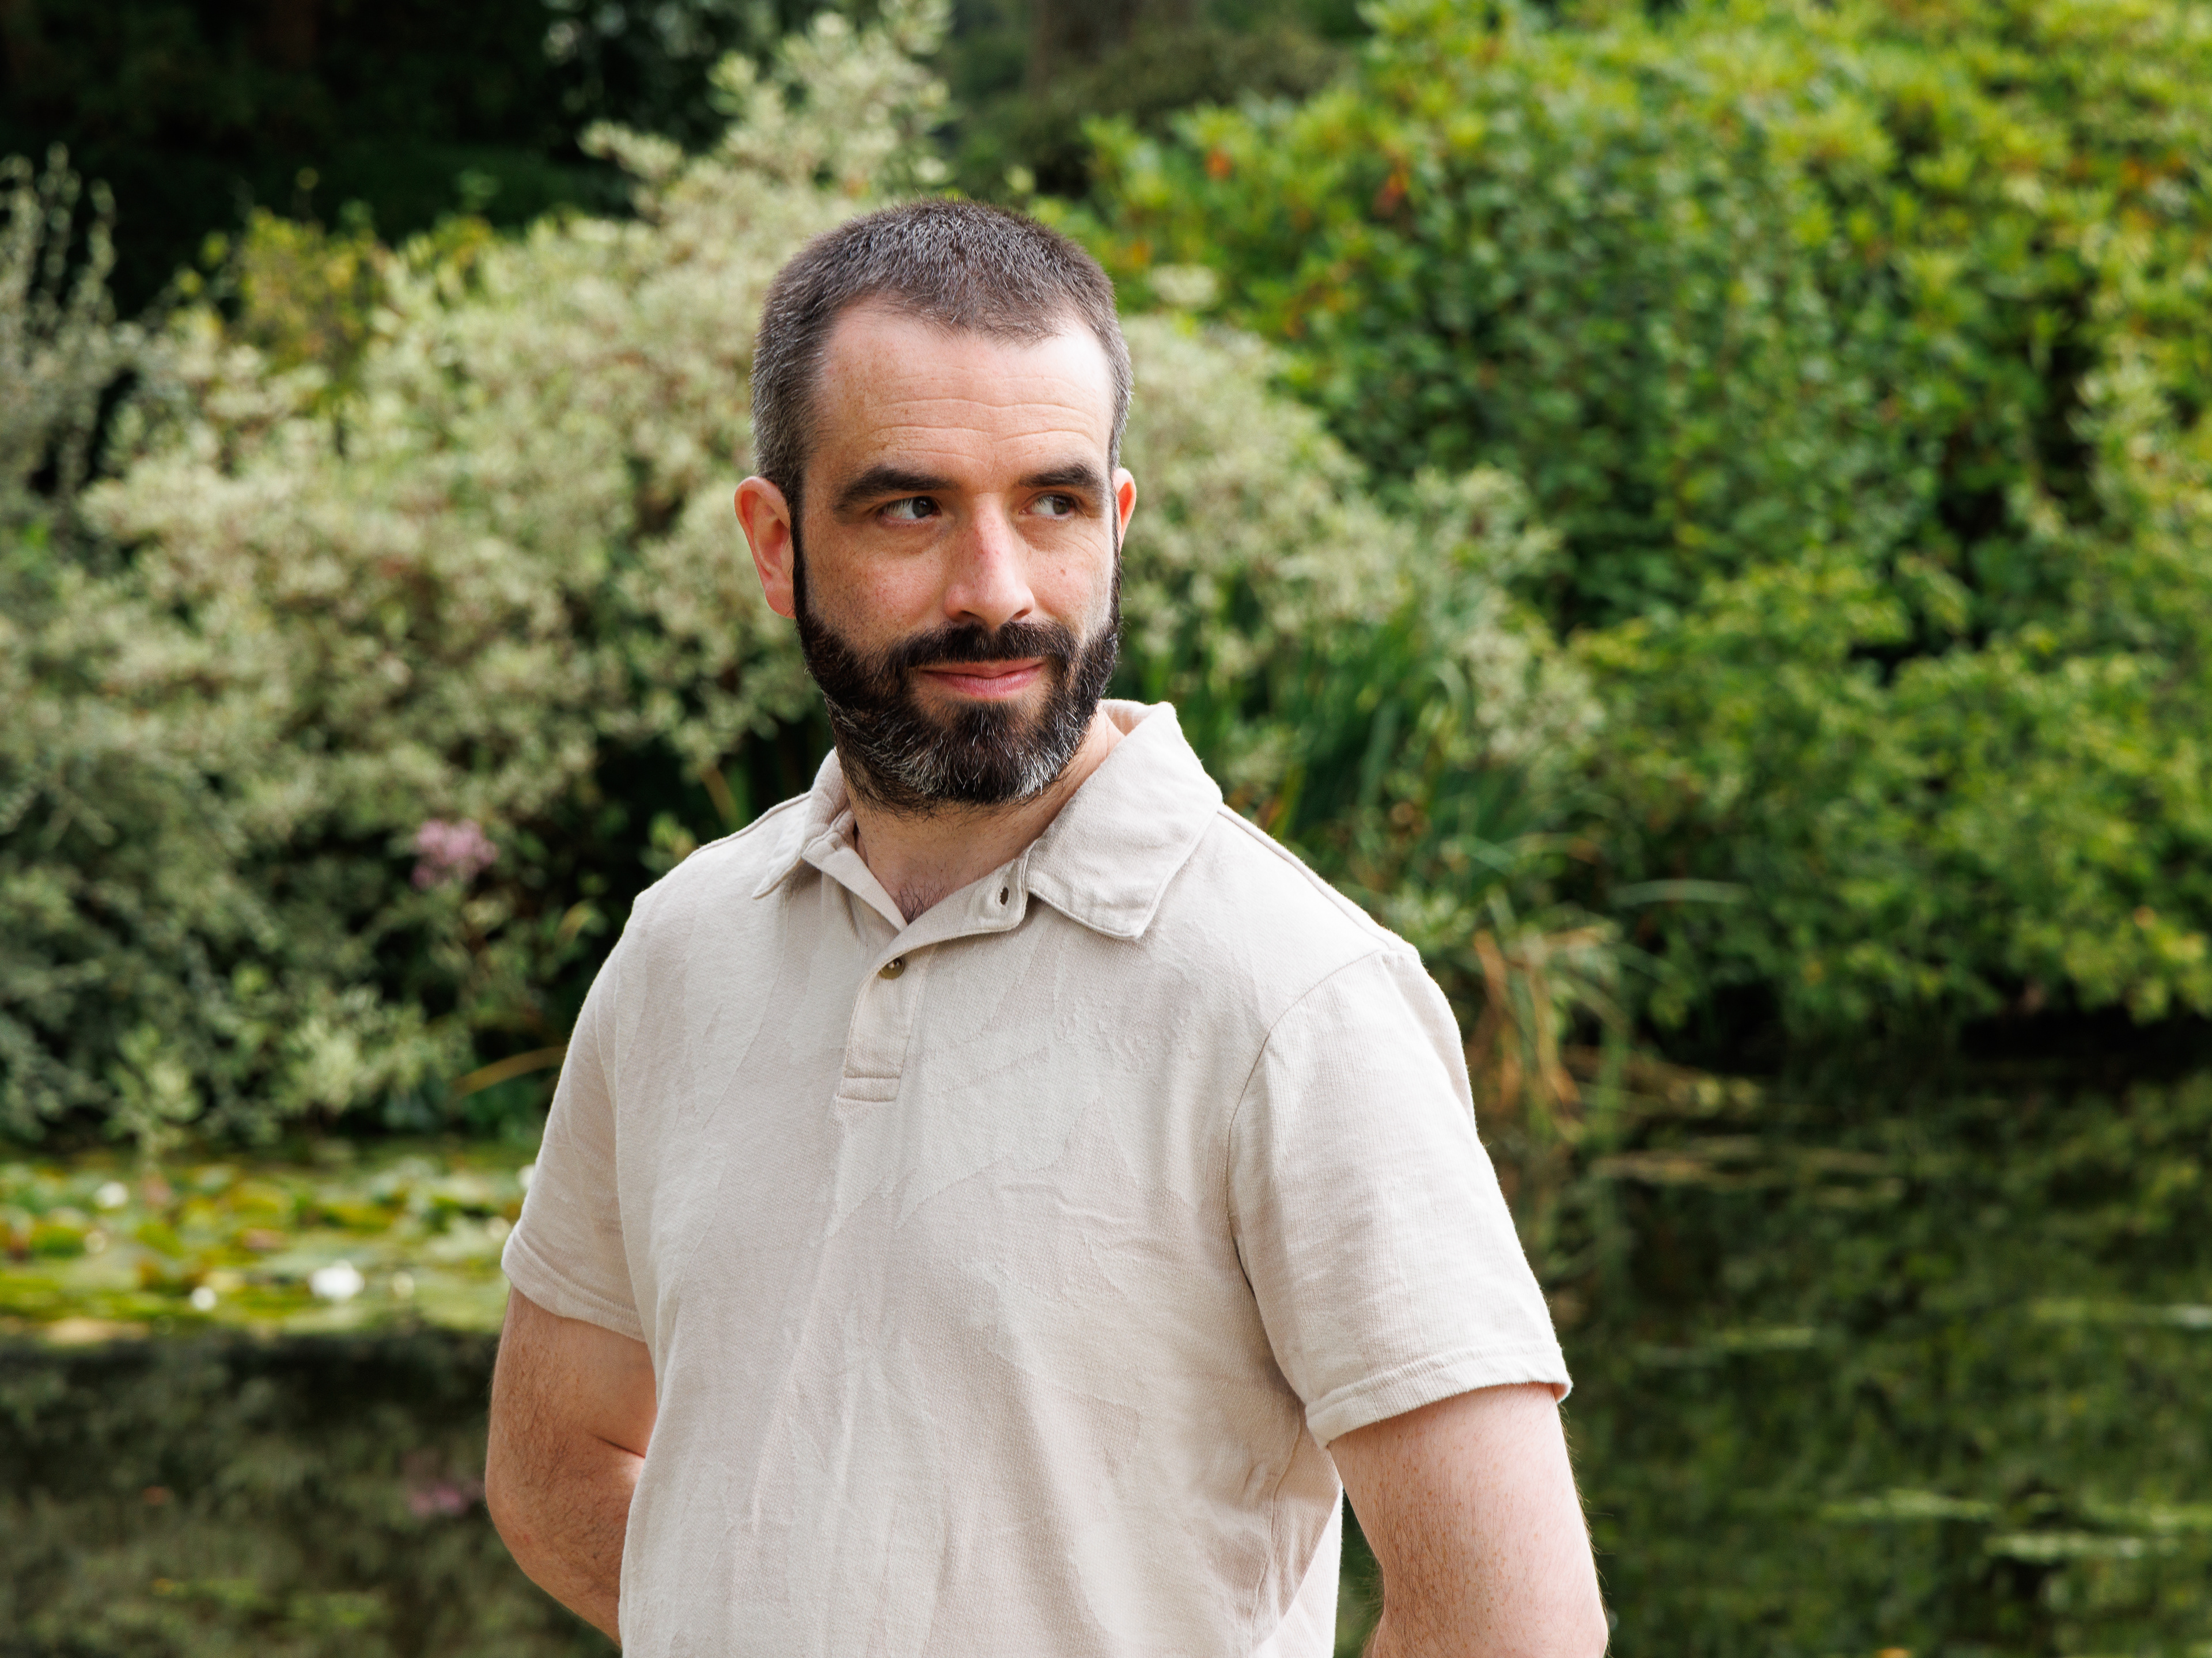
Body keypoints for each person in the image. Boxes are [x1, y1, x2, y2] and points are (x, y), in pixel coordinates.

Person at [486, 199, 1608, 1657]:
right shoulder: (680, 948)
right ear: (776, 544)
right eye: (912, 507)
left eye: (1053, 505)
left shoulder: (1295, 996)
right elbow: (554, 1468)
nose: (997, 591)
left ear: (1117, 523)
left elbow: (1516, 1625)